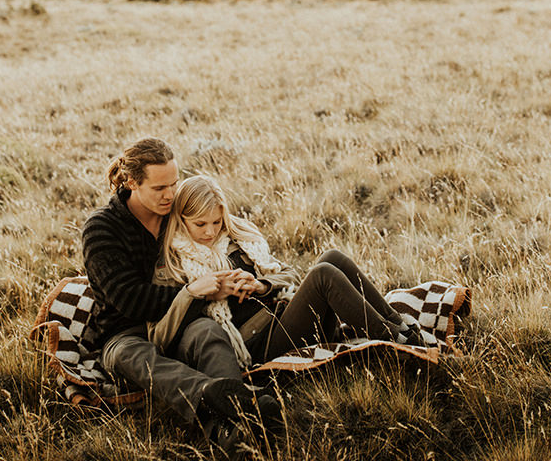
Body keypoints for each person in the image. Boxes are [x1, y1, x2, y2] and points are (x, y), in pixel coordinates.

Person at [80, 138, 281, 452]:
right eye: (159, 188)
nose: (170, 194)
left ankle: (236, 419)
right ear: (131, 183)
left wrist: (241, 277)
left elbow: (218, 230)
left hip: (184, 321)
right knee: (134, 356)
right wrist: (192, 292)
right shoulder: (102, 228)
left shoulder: (174, 212)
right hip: (125, 331)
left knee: (207, 332)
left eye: (173, 183)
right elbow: (130, 301)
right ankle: (232, 409)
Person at [150, 174, 427, 369]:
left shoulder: (235, 238)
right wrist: (198, 293)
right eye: (200, 225)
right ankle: (396, 344)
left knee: (332, 257)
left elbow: (289, 274)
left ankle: (401, 327)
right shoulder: (171, 263)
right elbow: (160, 336)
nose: (210, 231)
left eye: (216, 221)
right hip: (256, 344)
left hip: (284, 316)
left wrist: (261, 285)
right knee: (322, 276)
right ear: (180, 219)